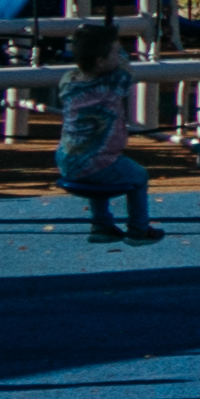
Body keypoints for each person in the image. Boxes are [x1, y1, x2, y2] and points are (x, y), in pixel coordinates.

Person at [55, 23, 153, 245]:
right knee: (138, 176)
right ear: (100, 61)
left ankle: (101, 224)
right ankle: (139, 229)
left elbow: (108, 64)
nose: (118, 55)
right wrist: (119, 49)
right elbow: (127, 67)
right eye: (114, 52)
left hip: (67, 159)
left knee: (95, 172)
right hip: (98, 161)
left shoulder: (68, 80)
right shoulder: (114, 83)